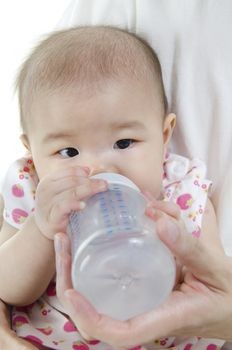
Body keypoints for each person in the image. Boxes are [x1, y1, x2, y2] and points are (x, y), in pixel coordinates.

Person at [0, 24, 225, 349]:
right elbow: (7, 287)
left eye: (123, 142)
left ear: (164, 136)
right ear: (32, 152)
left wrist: (174, 246)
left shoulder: (181, 191)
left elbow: (214, 280)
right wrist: (41, 228)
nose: (98, 169)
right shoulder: (34, 189)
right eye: (68, 152)